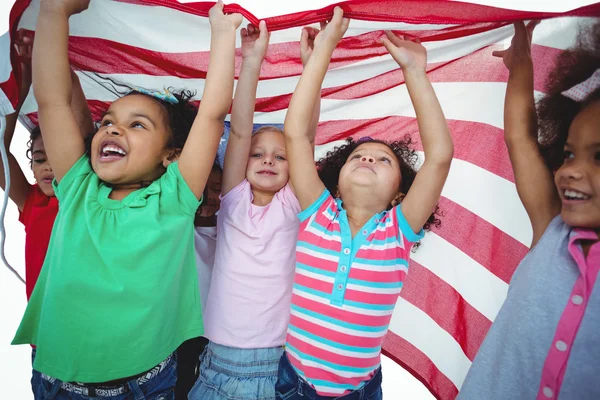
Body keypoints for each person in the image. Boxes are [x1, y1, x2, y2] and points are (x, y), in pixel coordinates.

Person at [11, 0, 241, 398]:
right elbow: (51, 100)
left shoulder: (173, 198)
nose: (113, 130)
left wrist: (222, 36)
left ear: (171, 157)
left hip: (143, 386)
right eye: (108, 122)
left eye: (137, 124)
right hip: (55, 381)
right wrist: (54, 12)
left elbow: (210, 115)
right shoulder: (78, 186)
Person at [275, 7, 453, 399]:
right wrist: (322, 53)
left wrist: (415, 72)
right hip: (292, 383)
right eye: (358, 156)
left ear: (400, 196)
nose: (367, 159)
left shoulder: (398, 231)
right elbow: (295, 135)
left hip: (358, 391)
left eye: (382, 159)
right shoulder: (316, 213)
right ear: (335, 182)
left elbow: (439, 156)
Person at [457, 21, 600, 400]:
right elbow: (520, 137)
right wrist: (521, 65)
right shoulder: (553, 227)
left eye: (599, 157)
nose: (569, 169)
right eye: (568, 153)